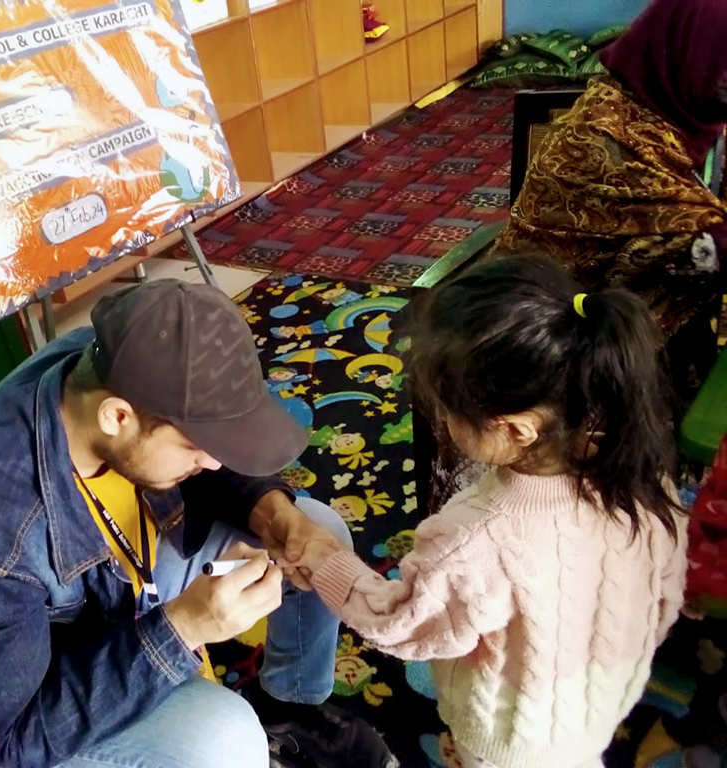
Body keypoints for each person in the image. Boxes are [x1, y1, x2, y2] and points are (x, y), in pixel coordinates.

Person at [0, 280, 394, 768]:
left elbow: (206, 448)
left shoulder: (108, 364)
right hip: (43, 701)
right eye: (196, 446)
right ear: (116, 417)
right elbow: (11, 742)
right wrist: (184, 626)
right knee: (226, 739)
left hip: (123, 582)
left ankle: (286, 711)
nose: (215, 462)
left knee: (316, 530)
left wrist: (273, 512)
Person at [282, 257, 689, 768]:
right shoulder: (642, 477)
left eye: (450, 411)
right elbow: (667, 589)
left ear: (516, 429)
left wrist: (326, 560)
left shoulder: (477, 534)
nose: (443, 419)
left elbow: (402, 622)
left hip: (510, 738)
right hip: (600, 700)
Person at [492, 0, 727, 400]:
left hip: (622, 315)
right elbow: (707, 247)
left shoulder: (671, 112)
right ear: (688, 55)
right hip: (550, 338)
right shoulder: (608, 140)